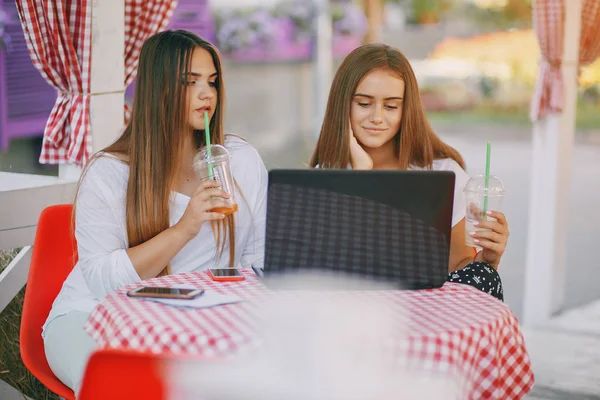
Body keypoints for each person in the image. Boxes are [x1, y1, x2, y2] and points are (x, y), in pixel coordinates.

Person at [42, 30, 267, 394]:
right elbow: (100, 280)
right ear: (158, 89)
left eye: (212, 81)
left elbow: (259, 260)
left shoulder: (239, 160)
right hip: (93, 316)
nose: (207, 93)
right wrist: (183, 229)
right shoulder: (110, 172)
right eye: (189, 82)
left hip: (190, 320)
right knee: (121, 388)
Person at [310, 43, 508, 301]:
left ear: (406, 110)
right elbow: (325, 274)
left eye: (391, 106)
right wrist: (360, 174)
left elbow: (460, 270)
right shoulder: (321, 179)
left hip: (426, 307)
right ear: (343, 105)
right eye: (363, 103)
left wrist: (489, 259)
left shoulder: (442, 172)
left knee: (485, 276)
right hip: (354, 308)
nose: (377, 117)